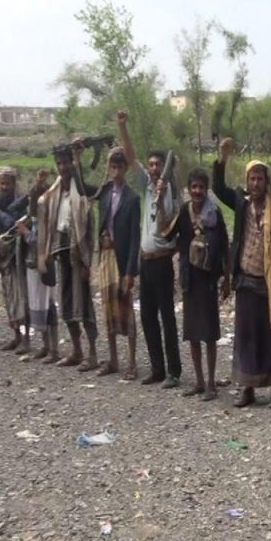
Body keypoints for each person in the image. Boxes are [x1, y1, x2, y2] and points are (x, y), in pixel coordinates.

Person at [212, 137, 271, 408]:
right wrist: (222, 158)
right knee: (245, 336)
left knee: (270, 337)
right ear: (247, 182)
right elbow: (218, 188)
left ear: (267, 182)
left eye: (260, 179)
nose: (255, 184)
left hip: (268, 285)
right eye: (252, 179)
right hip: (245, 280)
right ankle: (247, 389)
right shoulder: (242, 204)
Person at [117, 110, 182, 388]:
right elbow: (131, 157)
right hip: (145, 261)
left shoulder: (173, 194)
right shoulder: (146, 185)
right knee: (147, 316)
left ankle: (173, 371)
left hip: (162, 261)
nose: (154, 168)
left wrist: (164, 195)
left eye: (158, 165)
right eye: (151, 164)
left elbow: (174, 226)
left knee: (167, 317)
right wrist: (123, 126)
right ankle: (157, 368)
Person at [36, 144, 99, 371]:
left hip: (78, 253)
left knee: (84, 304)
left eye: (66, 163)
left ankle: (92, 353)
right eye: (60, 163)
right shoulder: (53, 195)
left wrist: (87, 262)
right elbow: (41, 209)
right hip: (61, 252)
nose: (63, 167)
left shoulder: (79, 191)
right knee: (67, 304)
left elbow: (88, 228)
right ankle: (77, 350)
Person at [172, 168, 230, 397]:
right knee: (192, 333)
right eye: (194, 187)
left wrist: (227, 277)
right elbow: (171, 235)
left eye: (201, 187)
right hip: (190, 279)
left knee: (210, 334)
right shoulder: (183, 212)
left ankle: (211, 383)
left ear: (207, 190)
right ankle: (198, 381)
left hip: (208, 279)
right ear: (188, 189)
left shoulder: (214, 213)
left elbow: (225, 245)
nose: (197, 191)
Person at [96, 148, 140, 380]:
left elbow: (134, 237)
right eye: (112, 166)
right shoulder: (104, 193)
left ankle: (132, 362)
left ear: (125, 169)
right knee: (108, 310)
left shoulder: (132, 199)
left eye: (120, 167)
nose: (116, 171)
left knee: (126, 310)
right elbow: (83, 188)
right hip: (106, 258)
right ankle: (113, 360)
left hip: (121, 261)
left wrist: (130, 271)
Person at [20, 170, 59, 362]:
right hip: (33, 267)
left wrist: (26, 233)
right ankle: (45, 346)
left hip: (45, 266)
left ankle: (53, 349)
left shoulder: (48, 221)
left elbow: (40, 242)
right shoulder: (32, 220)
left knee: (48, 306)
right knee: (38, 305)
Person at [0, 167, 30, 353]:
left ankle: (26, 339)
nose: (4, 187)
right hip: (3, 256)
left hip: (17, 256)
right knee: (9, 297)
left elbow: (12, 225)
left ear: (14, 184)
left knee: (21, 297)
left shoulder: (20, 203)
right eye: (1, 183)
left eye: (7, 183)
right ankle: (16, 336)